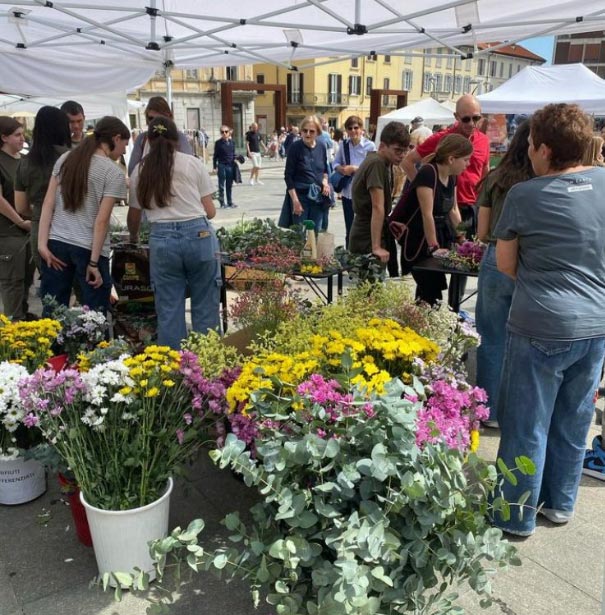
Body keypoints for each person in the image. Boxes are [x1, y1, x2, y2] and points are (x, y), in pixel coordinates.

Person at [492, 103, 605, 537]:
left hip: (542, 322)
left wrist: (545, 285)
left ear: (542, 148)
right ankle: (560, 503)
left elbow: (505, 264)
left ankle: (515, 515)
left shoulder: (526, 194)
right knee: (575, 418)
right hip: (595, 323)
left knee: (526, 423)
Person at [127, 116, 219, 349]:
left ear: (147, 139)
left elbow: (134, 215)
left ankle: (175, 372)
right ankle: (207, 368)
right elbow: (210, 212)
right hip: (198, 235)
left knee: (169, 308)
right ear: (176, 139)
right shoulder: (192, 163)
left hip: (162, 240)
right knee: (205, 304)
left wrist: (134, 238)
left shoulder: (140, 170)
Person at [37, 116, 130, 313]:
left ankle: (53, 345)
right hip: (89, 248)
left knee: (53, 311)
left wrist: (42, 244)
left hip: (57, 243)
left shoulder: (66, 159)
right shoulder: (113, 172)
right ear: (116, 138)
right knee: (94, 316)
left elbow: (48, 203)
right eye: (125, 144)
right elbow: (101, 221)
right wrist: (94, 263)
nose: (124, 150)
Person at [475, 120, 533, 428]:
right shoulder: (541, 182)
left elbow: (482, 232)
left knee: (491, 336)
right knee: (527, 341)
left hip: (496, 256)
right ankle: (516, 410)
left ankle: (490, 410)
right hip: (532, 262)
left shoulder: (496, 178)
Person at [391, 134, 470, 305]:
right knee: (429, 288)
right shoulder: (428, 173)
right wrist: (434, 247)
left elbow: (453, 210)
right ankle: (422, 320)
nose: (468, 164)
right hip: (419, 240)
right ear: (451, 159)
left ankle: (426, 320)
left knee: (432, 290)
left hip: (439, 233)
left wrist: (464, 239)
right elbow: (427, 214)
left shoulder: (452, 176)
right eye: (465, 160)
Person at [402, 95, 489, 238]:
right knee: (449, 250)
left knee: (467, 250)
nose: (472, 123)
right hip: (446, 209)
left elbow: (484, 172)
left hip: (470, 208)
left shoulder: (483, 140)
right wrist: (425, 189)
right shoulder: (442, 138)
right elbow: (407, 162)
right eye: (466, 119)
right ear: (456, 116)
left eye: (476, 118)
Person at [14, 106, 72, 272]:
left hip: (40, 230)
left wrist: (40, 212)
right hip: (72, 228)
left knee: (52, 290)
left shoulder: (25, 163)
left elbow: (21, 207)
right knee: (79, 287)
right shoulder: (73, 157)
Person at [348, 121, 410, 264]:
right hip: (366, 236)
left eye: (405, 151)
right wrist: (376, 246)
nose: (402, 155)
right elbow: (377, 206)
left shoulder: (382, 162)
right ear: (382, 146)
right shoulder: (377, 163)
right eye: (397, 150)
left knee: (372, 285)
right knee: (369, 284)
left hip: (369, 231)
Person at [0, 116, 35, 321]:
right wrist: (20, 221)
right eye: (17, 135)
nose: (22, 139)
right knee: (12, 282)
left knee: (26, 280)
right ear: (4, 137)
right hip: (8, 233)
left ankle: (23, 321)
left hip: (27, 230)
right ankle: (14, 326)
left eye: (22, 134)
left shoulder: (22, 160)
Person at [332, 115, 377, 248]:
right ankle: (350, 256)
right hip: (348, 193)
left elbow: (373, 168)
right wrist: (341, 168)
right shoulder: (344, 144)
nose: (353, 131)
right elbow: (335, 162)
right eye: (350, 128)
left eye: (356, 128)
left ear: (361, 129)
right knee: (349, 229)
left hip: (364, 193)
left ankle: (364, 256)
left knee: (363, 228)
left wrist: (355, 169)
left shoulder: (370, 146)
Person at [279, 115, 330, 232]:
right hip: (300, 196)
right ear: (301, 131)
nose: (307, 134)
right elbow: (288, 176)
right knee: (299, 235)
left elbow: (325, 169)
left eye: (311, 131)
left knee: (317, 232)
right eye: (304, 130)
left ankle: (314, 251)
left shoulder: (322, 146)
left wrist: (325, 181)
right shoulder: (295, 148)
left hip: (317, 196)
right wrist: (295, 201)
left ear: (317, 132)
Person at [127, 96, 193, 174]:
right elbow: (132, 170)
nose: (155, 122)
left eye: (160, 118)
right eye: (151, 118)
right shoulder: (142, 138)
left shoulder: (179, 137)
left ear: (168, 116)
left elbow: (189, 167)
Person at [213, 124, 237, 209]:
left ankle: (230, 202)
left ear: (229, 132)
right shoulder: (218, 143)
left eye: (226, 131)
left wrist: (237, 158)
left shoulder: (232, 142)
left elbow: (233, 154)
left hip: (230, 166)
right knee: (221, 185)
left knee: (229, 185)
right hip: (221, 165)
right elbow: (215, 156)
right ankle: (222, 203)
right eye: (222, 132)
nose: (224, 133)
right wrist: (214, 167)